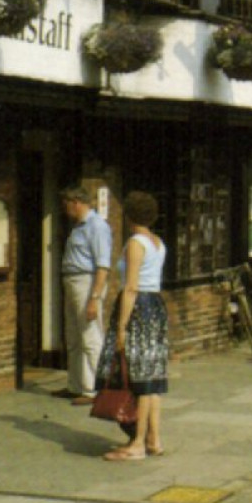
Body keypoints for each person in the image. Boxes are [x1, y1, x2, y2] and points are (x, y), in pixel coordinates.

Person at [96, 191, 168, 462]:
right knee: (152, 377)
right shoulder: (158, 242)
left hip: (138, 308)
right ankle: (153, 439)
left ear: (128, 216)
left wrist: (122, 327)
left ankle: (137, 443)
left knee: (139, 376)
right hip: (156, 307)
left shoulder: (135, 243)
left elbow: (131, 287)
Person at [56, 186, 111, 404]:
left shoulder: (97, 227)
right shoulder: (78, 227)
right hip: (72, 281)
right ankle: (76, 384)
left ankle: (93, 389)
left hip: (86, 281)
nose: (65, 209)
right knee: (73, 336)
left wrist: (94, 298)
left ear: (76, 202)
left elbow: (103, 265)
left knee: (90, 336)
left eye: (66, 204)